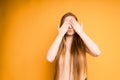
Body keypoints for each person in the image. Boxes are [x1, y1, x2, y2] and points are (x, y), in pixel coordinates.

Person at [46, 12, 101, 80]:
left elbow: (97, 52)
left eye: (73, 23)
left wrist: (80, 32)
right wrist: (60, 34)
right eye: (67, 24)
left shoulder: (81, 44)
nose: (70, 26)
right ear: (62, 26)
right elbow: (49, 58)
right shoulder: (58, 44)